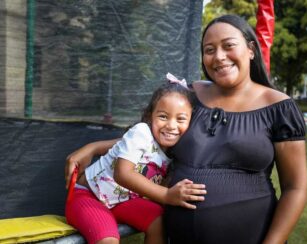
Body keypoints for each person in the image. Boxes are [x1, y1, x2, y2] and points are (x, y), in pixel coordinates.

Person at [66, 14, 307, 244]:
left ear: (251, 49)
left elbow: (295, 188)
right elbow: (151, 138)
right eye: (209, 50)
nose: (219, 56)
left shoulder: (279, 108)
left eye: (228, 46)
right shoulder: (191, 95)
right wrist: (94, 147)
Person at [65, 77, 207, 244]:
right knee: (108, 239)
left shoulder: (176, 150)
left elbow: (117, 145)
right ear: (150, 116)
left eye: (180, 119)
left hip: (122, 201)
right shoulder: (142, 132)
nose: (171, 125)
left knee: (159, 221)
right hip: (88, 196)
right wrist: (167, 195)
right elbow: (122, 174)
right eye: (163, 116)